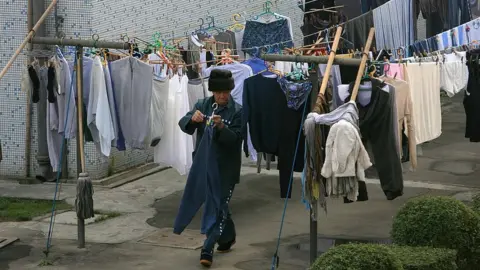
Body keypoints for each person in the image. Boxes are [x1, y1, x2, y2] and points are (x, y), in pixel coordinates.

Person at [177, 69, 243, 267]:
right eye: (218, 92)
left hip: (226, 169)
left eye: (226, 92)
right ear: (213, 91)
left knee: (217, 206)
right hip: (205, 165)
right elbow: (183, 124)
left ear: (231, 90)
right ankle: (227, 237)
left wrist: (222, 127)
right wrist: (192, 119)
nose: (222, 96)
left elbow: (237, 140)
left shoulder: (238, 111)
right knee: (219, 205)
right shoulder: (203, 105)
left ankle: (207, 248)